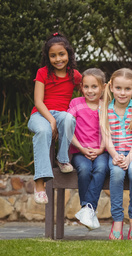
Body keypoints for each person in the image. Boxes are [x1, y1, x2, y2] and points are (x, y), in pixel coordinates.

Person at [27, 32, 81, 205]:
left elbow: (88, 92)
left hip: (61, 115)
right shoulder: (43, 73)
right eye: (53, 55)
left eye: (61, 54)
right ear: (47, 57)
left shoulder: (75, 75)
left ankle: (63, 158)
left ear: (69, 54)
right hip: (40, 114)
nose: (58, 59)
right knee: (43, 131)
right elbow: (38, 101)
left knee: (68, 117)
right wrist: (51, 120)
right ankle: (40, 183)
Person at [100, 68, 132, 240]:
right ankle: (117, 219)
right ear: (111, 87)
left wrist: (129, 157)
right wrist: (114, 155)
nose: (122, 92)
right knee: (117, 173)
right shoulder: (105, 108)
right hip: (115, 152)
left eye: (127, 89)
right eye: (118, 88)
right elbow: (106, 138)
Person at [68, 68, 109, 230]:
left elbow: (110, 130)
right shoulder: (76, 104)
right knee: (84, 169)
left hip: (101, 150)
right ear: (81, 87)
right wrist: (81, 148)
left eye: (94, 87)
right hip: (79, 151)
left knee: (100, 168)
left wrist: (100, 149)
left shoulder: (105, 106)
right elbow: (68, 130)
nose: (90, 91)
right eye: (86, 87)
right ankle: (89, 209)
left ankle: (87, 209)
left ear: (103, 87)